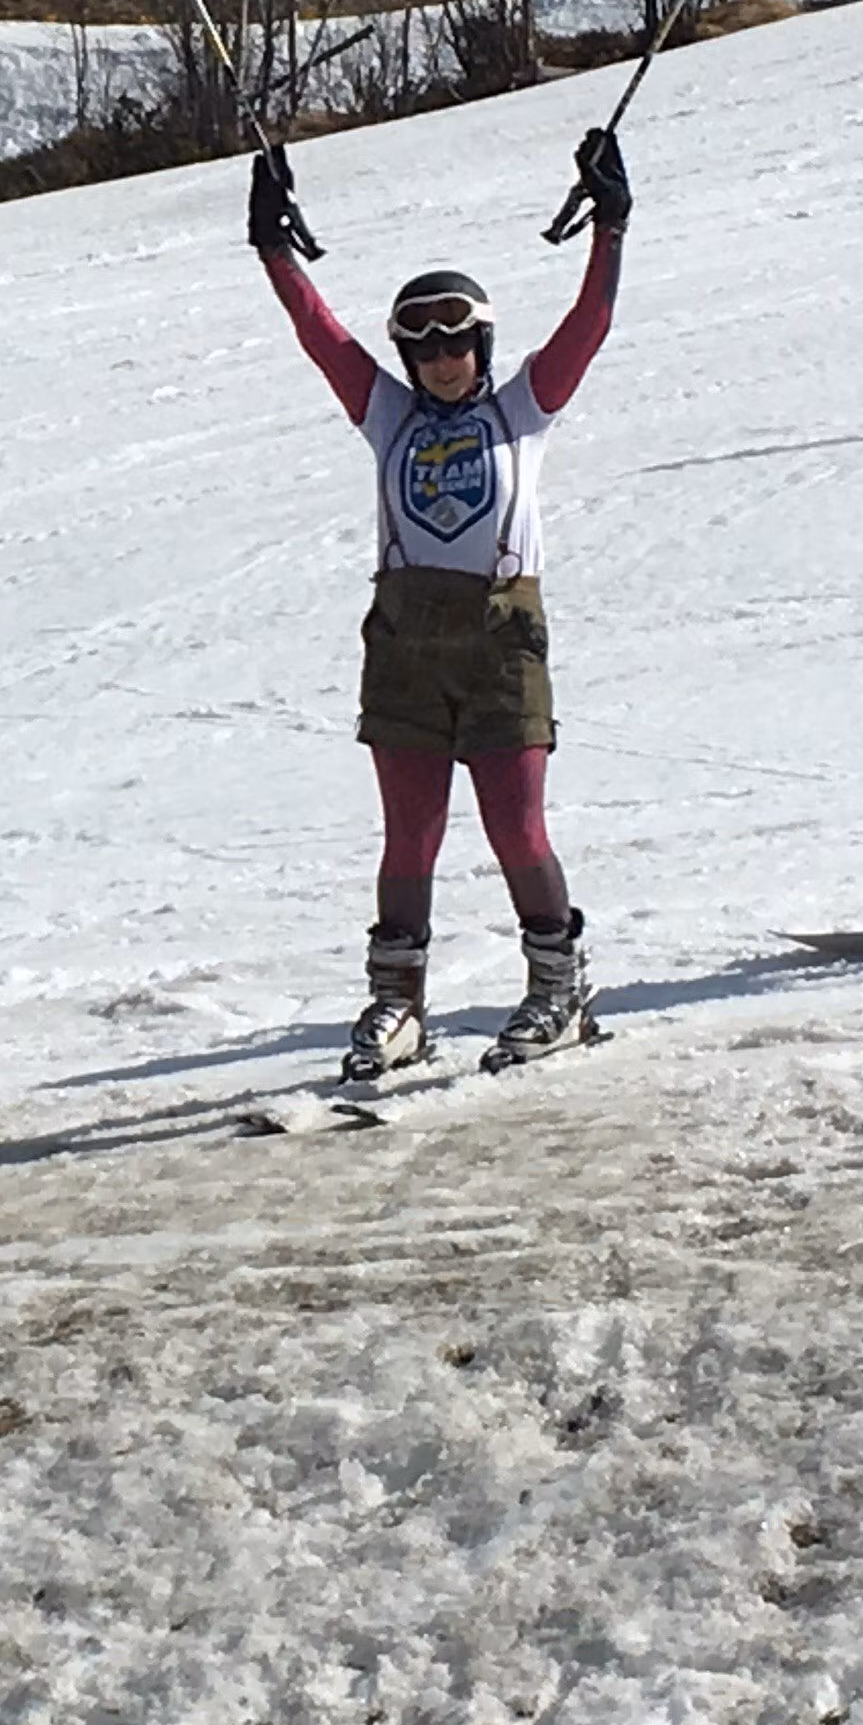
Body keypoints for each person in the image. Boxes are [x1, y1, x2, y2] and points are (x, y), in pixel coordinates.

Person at [250, 126, 628, 1082]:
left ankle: (557, 988)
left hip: (501, 636)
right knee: (410, 830)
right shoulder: (388, 417)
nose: (441, 360)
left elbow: (588, 328)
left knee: (516, 825)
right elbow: (320, 337)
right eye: (422, 346)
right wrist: (272, 247)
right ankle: (399, 1004)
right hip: (405, 639)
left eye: (456, 340)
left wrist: (611, 227)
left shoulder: (520, 412)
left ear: (481, 343)